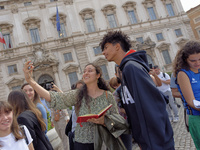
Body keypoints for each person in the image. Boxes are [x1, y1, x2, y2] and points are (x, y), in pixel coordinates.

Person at [23, 62, 128, 150]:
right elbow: (54, 97)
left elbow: (118, 120)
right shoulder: (78, 94)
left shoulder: (107, 95)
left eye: (90, 70)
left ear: (98, 75)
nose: (86, 73)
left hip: (103, 143)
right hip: (81, 142)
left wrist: (105, 121)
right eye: (84, 71)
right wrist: (30, 81)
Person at [100, 31, 174, 150]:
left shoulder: (131, 67)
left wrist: (150, 138)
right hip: (147, 137)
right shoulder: (127, 68)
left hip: (154, 138)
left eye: (106, 47)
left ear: (117, 46)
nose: (103, 52)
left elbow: (151, 104)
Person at [173, 40, 200, 149]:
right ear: (185, 60)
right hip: (197, 117)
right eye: (193, 60)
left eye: (199, 59)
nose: (197, 63)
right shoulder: (183, 74)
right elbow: (191, 101)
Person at [65, 80, 85, 150]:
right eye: (77, 89)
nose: (79, 91)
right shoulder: (76, 102)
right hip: (76, 137)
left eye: (81, 88)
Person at [50, 83, 70, 150]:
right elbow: (52, 112)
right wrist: (52, 121)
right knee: (61, 136)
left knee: (65, 137)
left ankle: (66, 148)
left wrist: (67, 118)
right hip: (56, 121)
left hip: (62, 120)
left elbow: (64, 109)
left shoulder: (59, 99)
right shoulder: (52, 102)